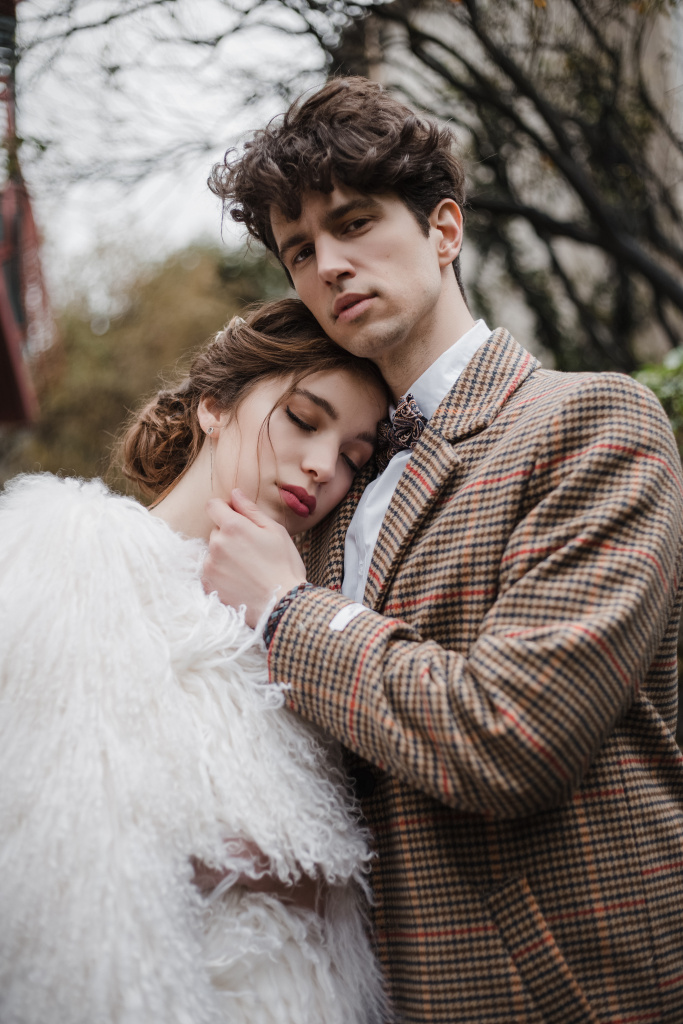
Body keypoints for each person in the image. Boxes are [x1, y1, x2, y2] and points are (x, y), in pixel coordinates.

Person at [204, 76, 683, 1023]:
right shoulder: (326, 491)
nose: (328, 264)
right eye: (300, 251)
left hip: (574, 994)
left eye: (354, 223)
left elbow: (513, 736)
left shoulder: (592, 421)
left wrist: (288, 611)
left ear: (443, 230)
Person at [0, 298, 390, 1024]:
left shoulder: (302, 625)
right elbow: (56, 846)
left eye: (352, 458)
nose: (322, 467)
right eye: (304, 420)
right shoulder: (70, 556)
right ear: (214, 406)